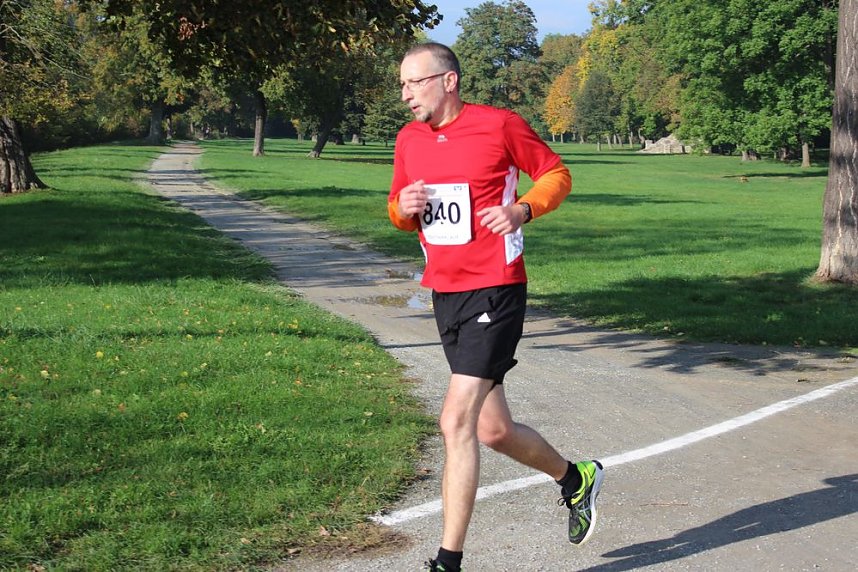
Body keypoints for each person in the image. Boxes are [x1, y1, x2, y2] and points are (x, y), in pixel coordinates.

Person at [386, 42, 604, 572]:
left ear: (449, 81)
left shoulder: (499, 125)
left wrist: (523, 208)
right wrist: (403, 209)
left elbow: (556, 173)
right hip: (446, 290)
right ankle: (576, 479)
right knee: (492, 430)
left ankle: (447, 561)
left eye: (414, 83)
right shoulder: (409, 139)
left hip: (496, 288)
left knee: (454, 421)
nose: (406, 94)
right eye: (402, 86)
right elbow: (397, 209)